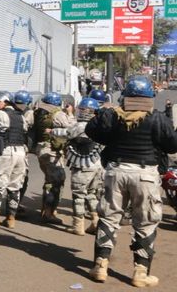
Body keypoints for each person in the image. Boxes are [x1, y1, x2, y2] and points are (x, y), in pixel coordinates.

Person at [86, 76, 177, 287]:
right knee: (145, 222)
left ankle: (100, 266)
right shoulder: (157, 118)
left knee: (108, 218)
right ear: (149, 97)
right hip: (145, 174)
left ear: (125, 95)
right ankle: (140, 273)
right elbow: (172, 146)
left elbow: (92, 131)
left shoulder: (113, 116)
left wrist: (104, 114)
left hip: (115, 171)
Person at [59, 98, 103, 236]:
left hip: (83, 166)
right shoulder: (100, 126)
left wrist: (50, 131)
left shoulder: (80, 126)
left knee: (78, 195)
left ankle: (78, 225)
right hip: (98, 165)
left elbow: (65, 133)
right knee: (91, 194)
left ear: (83, 111)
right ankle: (95, 221)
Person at [0, 91, 28, 231]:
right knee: (15, 186)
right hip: (21, 152)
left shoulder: (1, 114)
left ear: (6, 102)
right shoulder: (21, 116)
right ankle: (11, 218)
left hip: (6, 152)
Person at [33, 92, 75, 224]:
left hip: (40, 149)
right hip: (52, 151)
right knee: (57, 181)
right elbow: (72, 128)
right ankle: (49, 213)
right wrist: (70, 113)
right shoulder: (58, 114)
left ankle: (45, 208)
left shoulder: (38, 112)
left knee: (49, 180)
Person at [14, 90, 35, 215]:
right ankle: (14, 207)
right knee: (21, 179)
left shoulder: (8, 111)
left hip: (5, 149)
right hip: (21, 149)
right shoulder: (29, 113)